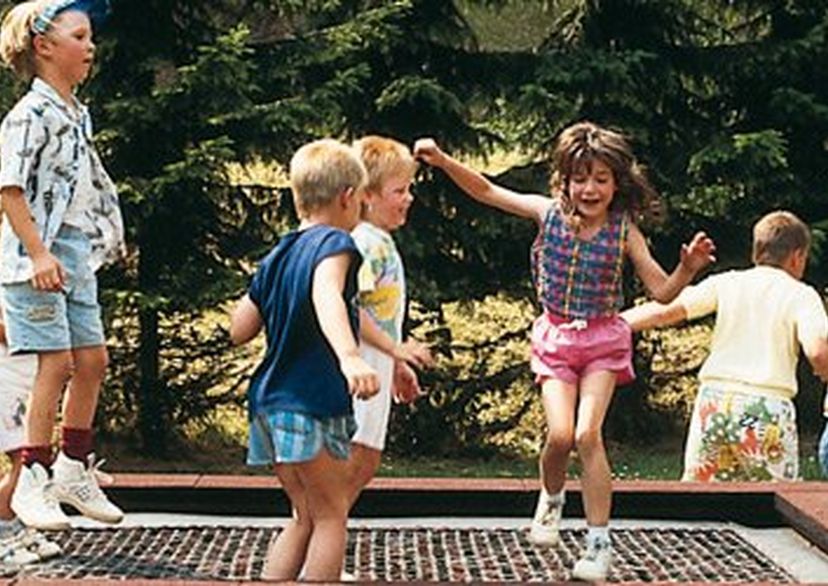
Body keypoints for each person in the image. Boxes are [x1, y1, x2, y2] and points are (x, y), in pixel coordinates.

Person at [414, 122, 715, 582]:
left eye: (600, 179)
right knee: (559, 435)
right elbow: (487, 190)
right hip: (556, 339)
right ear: (565, 181)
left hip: (603, 340)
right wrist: (442, 159)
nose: (589, 189)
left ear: (617, 184)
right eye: (580, 179)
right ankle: (551, 499)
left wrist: (687, 268)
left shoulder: (624, 231)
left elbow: (660, 291)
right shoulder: (546, 213)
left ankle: (598, 544)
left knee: (586, 434)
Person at [230, 138, 380, 582]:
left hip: (269, 405)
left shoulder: (278, 253)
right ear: (348, 197)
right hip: (310, 401)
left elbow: (239, 329)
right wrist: (350, 356)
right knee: (332, 515)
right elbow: (325, 292)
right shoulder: (336, 243)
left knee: (303, 515)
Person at [0, 0, 124, 531]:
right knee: (56, 363)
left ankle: (73, 466)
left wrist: (102, 234)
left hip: (72, 248)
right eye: (79, 35)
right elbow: (9, 188)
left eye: (91, 36)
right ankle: (32, 476)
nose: (90, 46)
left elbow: (84, 183)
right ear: (43, 47)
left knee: (92, 360)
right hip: (35, 255)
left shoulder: (75, 112)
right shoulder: (29, 115)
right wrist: (38, 253)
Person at [622, 210, 828, 482]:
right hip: (763, 407)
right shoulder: (800, 294)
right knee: (775, 498)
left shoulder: (728, 282)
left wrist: (613, 323)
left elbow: (666, 311)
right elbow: (817, 349)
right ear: (797, 256)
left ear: (757, 251)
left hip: (714, 402)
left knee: (700, 496)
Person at [347, 136, 433, 507]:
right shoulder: (366, 243)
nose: (409, 198)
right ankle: (319, 550)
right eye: (400, 190)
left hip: (378, 362)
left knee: (364, 461)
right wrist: (393, 350)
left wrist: (396, 363)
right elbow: (351, 306)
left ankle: (322, 547)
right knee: (354, 460)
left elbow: (381, 311)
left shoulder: (380, 241)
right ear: (367, 195)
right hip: (360, 365)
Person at [0, 316, 61, 572]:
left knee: (31, 456)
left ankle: (14, 525)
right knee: (24, 457)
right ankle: (4, 529)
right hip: (5, 376)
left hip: (28, 378)